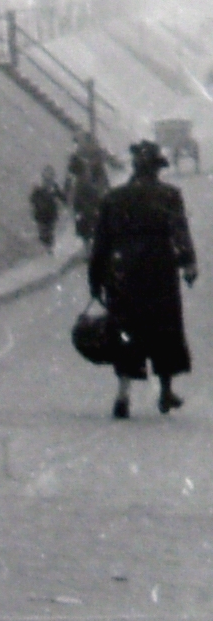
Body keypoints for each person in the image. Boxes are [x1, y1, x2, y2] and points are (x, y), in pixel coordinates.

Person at [88, 138, 197, 419]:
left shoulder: (114, 198)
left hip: (123, 272)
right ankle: (165, 391)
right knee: (165, 330)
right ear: (157, 168)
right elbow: (179, 231)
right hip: (160, 270)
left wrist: (96, 279)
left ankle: (123, 393)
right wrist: (188, 263)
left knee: (127, 330)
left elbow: (101, 242)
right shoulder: (169, 195)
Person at [67, 133, 110, 249]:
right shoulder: (76, 158)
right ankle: (88, 246)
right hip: (83, 196)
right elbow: (71, 177)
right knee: (85, 223)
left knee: (94, 221)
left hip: (92, 196)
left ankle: (92, 245)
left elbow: (103, 178)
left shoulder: (96, 159)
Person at [29, 166, 64, 252]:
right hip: (42, 215)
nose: (48, 179)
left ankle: (48, 248)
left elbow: (62, 197)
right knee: (44, 232)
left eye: (50, 176)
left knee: (48, 232)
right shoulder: (39, 188)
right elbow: (33, 200)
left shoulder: (53, 187)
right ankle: (47, 247)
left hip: (50, 214)